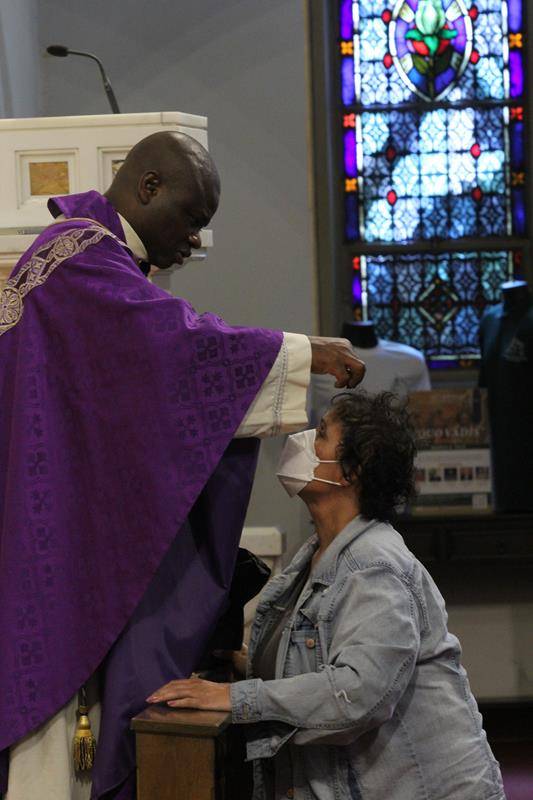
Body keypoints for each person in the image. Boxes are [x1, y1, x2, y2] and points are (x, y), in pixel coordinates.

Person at [0, 131, 365, 800]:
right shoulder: (84, 260)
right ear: (148, 189)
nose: (195, 241)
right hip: (54, 554)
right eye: (192, 219)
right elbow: (173, 354)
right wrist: (301, 351)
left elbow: (140, 377)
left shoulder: (73, 255)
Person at [150, 392, 506, 800]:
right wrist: (245, 663)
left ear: (352, 469)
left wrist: (235, 698)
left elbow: (358, 694)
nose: (303, 441)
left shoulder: (374, 565)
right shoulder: (319, 552)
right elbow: (322, 655)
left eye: (320, 434)